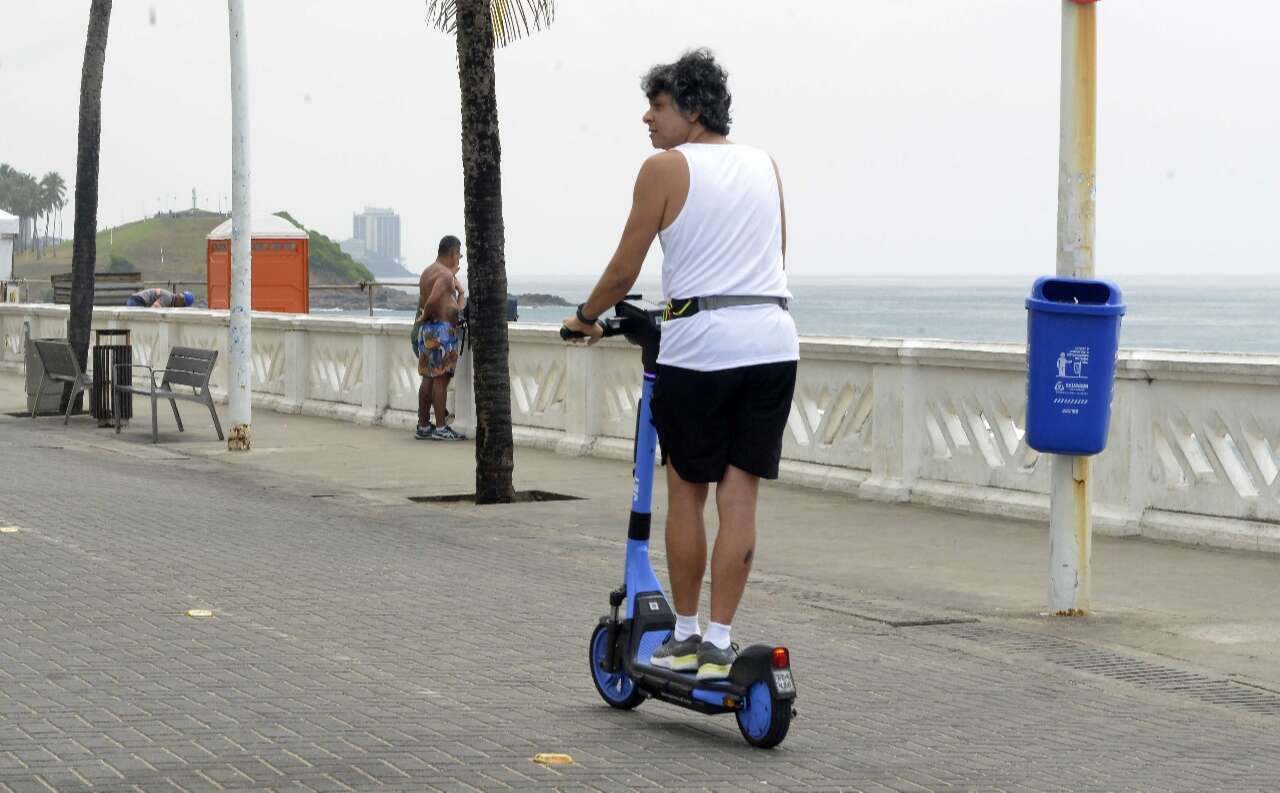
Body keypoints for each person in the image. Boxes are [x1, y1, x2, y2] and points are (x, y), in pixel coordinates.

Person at [562, 49, 797, 681]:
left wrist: (585, 316)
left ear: (692, 110)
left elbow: (624, 268)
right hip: (774, 341)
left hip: (704, 347)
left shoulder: (665, 168)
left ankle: (688, 635)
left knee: (688, 493)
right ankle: (723, 640)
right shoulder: (765, 164)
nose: (646, 117)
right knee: (740, 494)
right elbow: (776, 255)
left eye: (658, 105)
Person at [414, 235, 467, 441]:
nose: (459, 258)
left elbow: (433, 297)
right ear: (453, 252)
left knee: (428, 377)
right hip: (442, 331)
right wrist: (426, 314)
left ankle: (424, 425)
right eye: (459, 254)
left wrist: (459, 292)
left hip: (428, 330)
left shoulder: (428, 271)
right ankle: (442, 428)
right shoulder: (445, 275)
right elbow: (434, 299)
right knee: (441, 380)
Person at [126, 288, 195, 308]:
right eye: (183, 305)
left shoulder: (170, 298)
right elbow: (154, 309)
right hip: (137, 301)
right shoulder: (168, 298)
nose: (181, 307)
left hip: (135, 299)